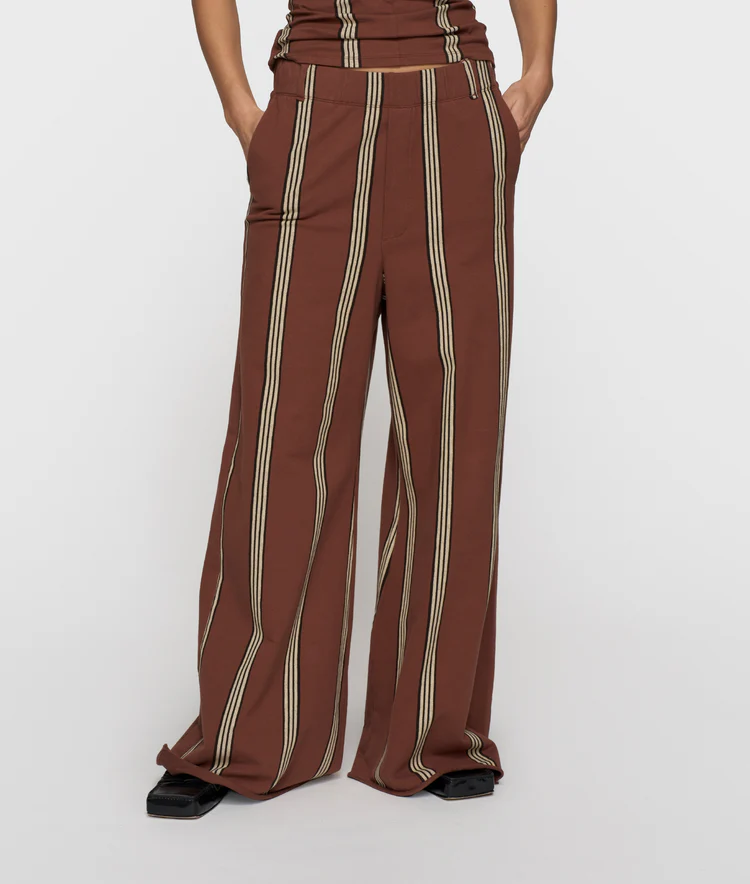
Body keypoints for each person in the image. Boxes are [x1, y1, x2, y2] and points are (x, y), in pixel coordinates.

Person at [147, 0, 556, 819]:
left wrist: (538, 72)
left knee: (456, 434)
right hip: (315, 111)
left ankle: (434, 736)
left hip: (455, 112)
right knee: (280, 435)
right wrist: (240, 109)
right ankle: (248, 737)